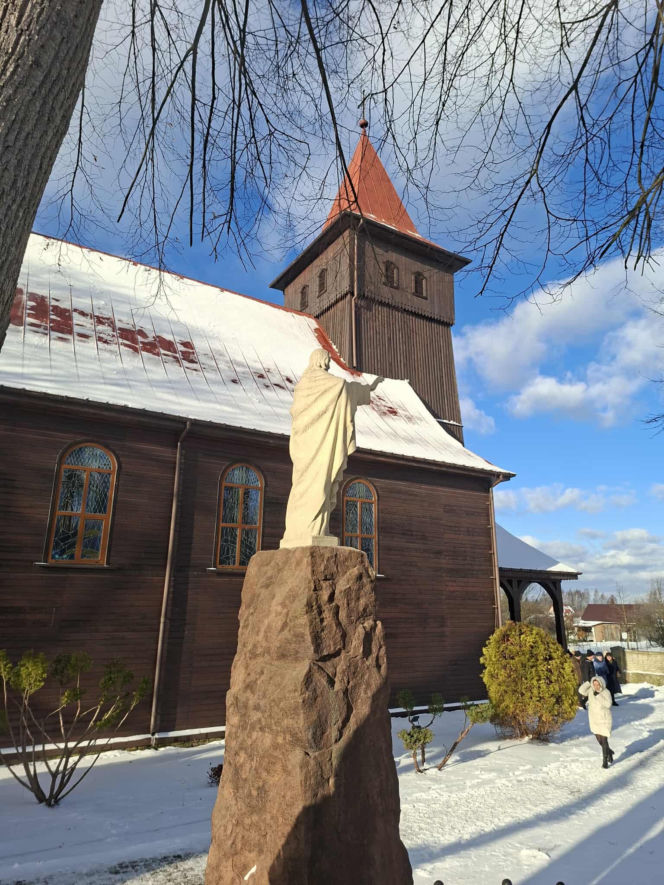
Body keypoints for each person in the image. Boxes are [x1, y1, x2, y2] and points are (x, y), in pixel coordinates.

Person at [280, 348, 382, 547]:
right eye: (326, 361)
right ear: (322, 361)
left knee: (307, 486)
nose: (327, 365)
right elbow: (342, 387)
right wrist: (367, 388)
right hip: (319, 447)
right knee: (319, 483)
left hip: (306, 446)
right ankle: (308, 530)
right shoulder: (328, 384)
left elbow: (341, 388)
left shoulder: (302, 387)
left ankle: (309, 530)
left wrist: (367, 388)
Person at [579, 675, 614, 768]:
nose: (596, 686)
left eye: (597, 684)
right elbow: (581, 691)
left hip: (604, 719)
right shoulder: (591, 690)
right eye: (594, 684)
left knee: (604, 739)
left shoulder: (606, 692)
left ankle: (605, 761)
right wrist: (587, 682)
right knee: (600, 741)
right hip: (594, 719)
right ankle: (609, 752)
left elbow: (608, 704)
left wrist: (599, 696)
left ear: (601, 683)